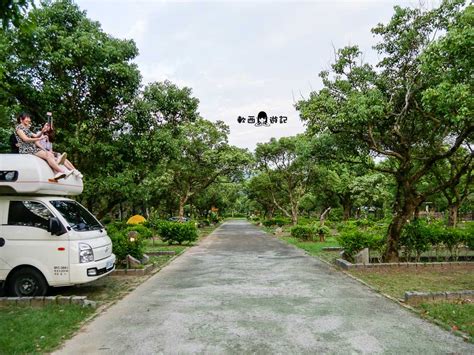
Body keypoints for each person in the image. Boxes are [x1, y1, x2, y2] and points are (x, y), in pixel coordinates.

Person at [15, 112, 71, 180]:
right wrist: (40, 138)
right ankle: (62, 171)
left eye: (29, 118)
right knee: (48, 155)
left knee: (49, 154)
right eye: (27, 118)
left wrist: (42, 131)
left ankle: (56, 173)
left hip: (32, 148)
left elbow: (35, 135)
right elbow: (25, 139)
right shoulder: (19, 128)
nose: (29, 120)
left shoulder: (26, 129)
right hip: (26, 149)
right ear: (21, 119)